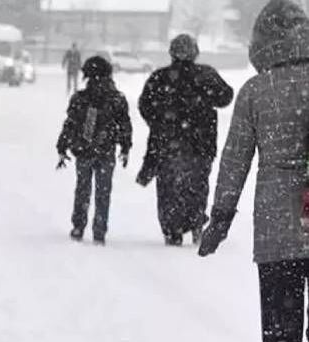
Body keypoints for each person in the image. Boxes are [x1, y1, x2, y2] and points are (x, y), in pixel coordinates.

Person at [198, 0, 309, 342]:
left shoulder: (255, 91)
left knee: (281, 336)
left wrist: (220, 218)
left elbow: (235, 160)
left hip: (279, 231)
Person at [137, 34, 234, 246]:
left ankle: (173, 229)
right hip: (201, 144)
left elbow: (145, 105)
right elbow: (226, 97)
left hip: (167, 145)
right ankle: (196, 222)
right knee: (197, 186)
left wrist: (160, 122)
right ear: (195, 52)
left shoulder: (160, 77)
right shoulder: (206, 74)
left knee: (168, 189)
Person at [57, 56, 132, 245]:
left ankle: (78, 225)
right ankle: (99, 229)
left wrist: (63, 145)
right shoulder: (117, 99)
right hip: (106, 151)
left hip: (84, 150)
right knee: (103, 192)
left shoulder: (81, 98)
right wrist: (125, 146)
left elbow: (70, 124)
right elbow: (125, 125)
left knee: (83, 189)